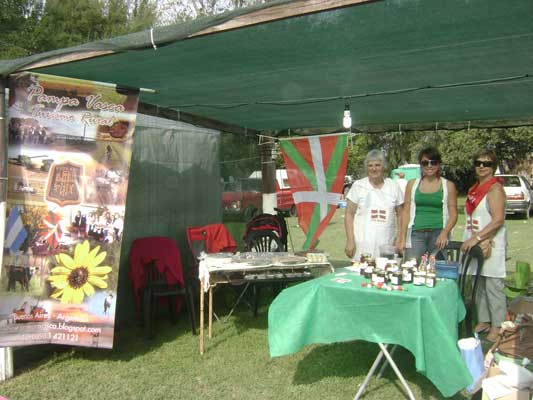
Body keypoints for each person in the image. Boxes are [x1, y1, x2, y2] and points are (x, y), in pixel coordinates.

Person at [461, 149, 507, 342]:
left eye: (486, 163)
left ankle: (498, 325)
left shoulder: (495, 189)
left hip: (489, 242)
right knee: (478, 283)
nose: (481, 166)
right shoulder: (474, 189)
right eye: (478, 163)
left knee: (492, 285)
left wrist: (478, 237)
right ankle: (484, 320)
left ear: (493, 167)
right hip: (475, 242)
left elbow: (498, 220)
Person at [399, 147, 458, 262]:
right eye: (425, 163)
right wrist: (402, 238)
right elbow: (405, 212)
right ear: (421, 165)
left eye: (433, 162)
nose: (429, 166)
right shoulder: (412, 184)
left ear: (439, 164)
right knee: (411, 269)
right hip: (416, 234)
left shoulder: (448, 185)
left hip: (438, 234)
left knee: (437, 271)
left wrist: (445, 233)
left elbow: (454, 214)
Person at [344, 149, 404, 260]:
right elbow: (349, 214)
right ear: (366, 168)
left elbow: (401, 214)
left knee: (384, 273)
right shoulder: (358, 186)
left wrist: (400, 238)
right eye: (370, 165)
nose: (374, 169)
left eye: (377, 165)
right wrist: (350, 240)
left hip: (386, 243)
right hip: (362, 244)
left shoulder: (393, 186)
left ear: (383, 166)